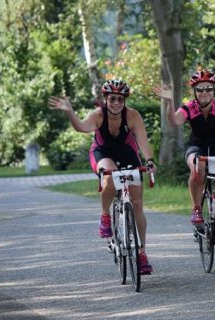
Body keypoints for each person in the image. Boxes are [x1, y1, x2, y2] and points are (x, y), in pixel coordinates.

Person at [48, 79, 155, 274]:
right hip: (102, 153)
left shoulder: (132, 116)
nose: (116, 103)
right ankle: (105, 215)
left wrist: (149, 162)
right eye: (112, 99)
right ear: (105, 99)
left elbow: (143, 142)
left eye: (120, 100)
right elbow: (81, 127)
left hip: (126, 152)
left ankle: (141, 253)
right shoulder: (98, 115)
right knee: (111, 176)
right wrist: (70, 111)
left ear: (124, 101)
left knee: (138, 204)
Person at [153, 69, 215, 260]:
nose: (204, 92)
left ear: (214, 91)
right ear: (195, 92)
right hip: (197, 147)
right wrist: (169, 101)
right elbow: (173, 122)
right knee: (198, 166)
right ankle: (197, 208)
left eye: (208, 89)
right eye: (200, 89)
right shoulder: (189, 108)